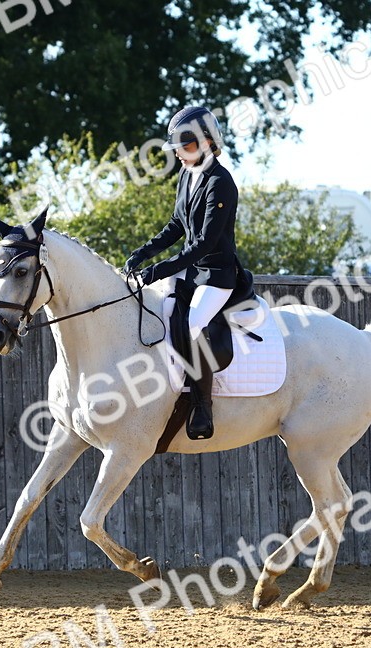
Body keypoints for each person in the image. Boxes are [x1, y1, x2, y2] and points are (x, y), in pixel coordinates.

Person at [125, 105, 250, 441]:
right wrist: (144, 252)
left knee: (193, 326)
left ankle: (202, 406)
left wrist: (158, 270)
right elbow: (176, 224)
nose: (178, 154)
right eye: (177, 148)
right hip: (192, 272)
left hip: (216, 274)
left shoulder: (220, 183)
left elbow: (204, 244)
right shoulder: (188, 175)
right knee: (159, 311)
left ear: (207, 142)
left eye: (185, 146)